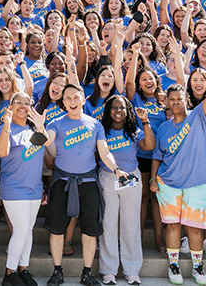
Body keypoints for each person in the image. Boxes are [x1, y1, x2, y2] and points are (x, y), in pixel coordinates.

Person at [44, 83, 132, 286]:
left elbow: (104, 152)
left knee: (90, 230)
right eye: (68, 98)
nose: (72, 102)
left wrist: (117, 169)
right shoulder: (55, 123)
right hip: (62, 181)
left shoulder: (95, 124)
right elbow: (47, 144)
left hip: (88, 182)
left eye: (76, 97)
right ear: (63, 102)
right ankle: (57, 271)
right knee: (57, 230)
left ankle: (87, 272)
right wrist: (41, 128)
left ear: (83, 100)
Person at [150, 71, 206, 286]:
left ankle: (197, 266)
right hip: (169, 184)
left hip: (198, 182)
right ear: (166, 102)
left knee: (194, 228)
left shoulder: (198, 116)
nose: (175, 103)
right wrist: (153, 179)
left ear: (186, 100)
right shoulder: (163, 128)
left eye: (179, 99)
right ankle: (173, 265)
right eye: (171, 99)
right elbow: (157, 156)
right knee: (173, 226)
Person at [98, 96, 156, 286]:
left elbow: (149, 146)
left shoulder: (134, 131)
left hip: (131, 178)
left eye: (122, 107)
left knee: (131, 225)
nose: (118, 111)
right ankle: (109, 270)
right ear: (108, 110)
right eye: (114, 107)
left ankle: (132, 270)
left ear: (127, 110)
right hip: (108, 179)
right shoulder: (101, 130)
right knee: (108, 225)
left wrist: (145, 121)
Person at [0, 92, 47, 286]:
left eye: (27, 103)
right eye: (19, 103)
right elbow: (2, 152)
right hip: (14, 187)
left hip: (34, 188)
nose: (23, 106)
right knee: (21, 230)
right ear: (11, 106)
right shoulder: (5, 128)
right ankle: (9, 274)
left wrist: (41, 125)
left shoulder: (34, 130)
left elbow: (48, 148)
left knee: (29, 230)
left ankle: (23, 269)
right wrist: (7, 123)